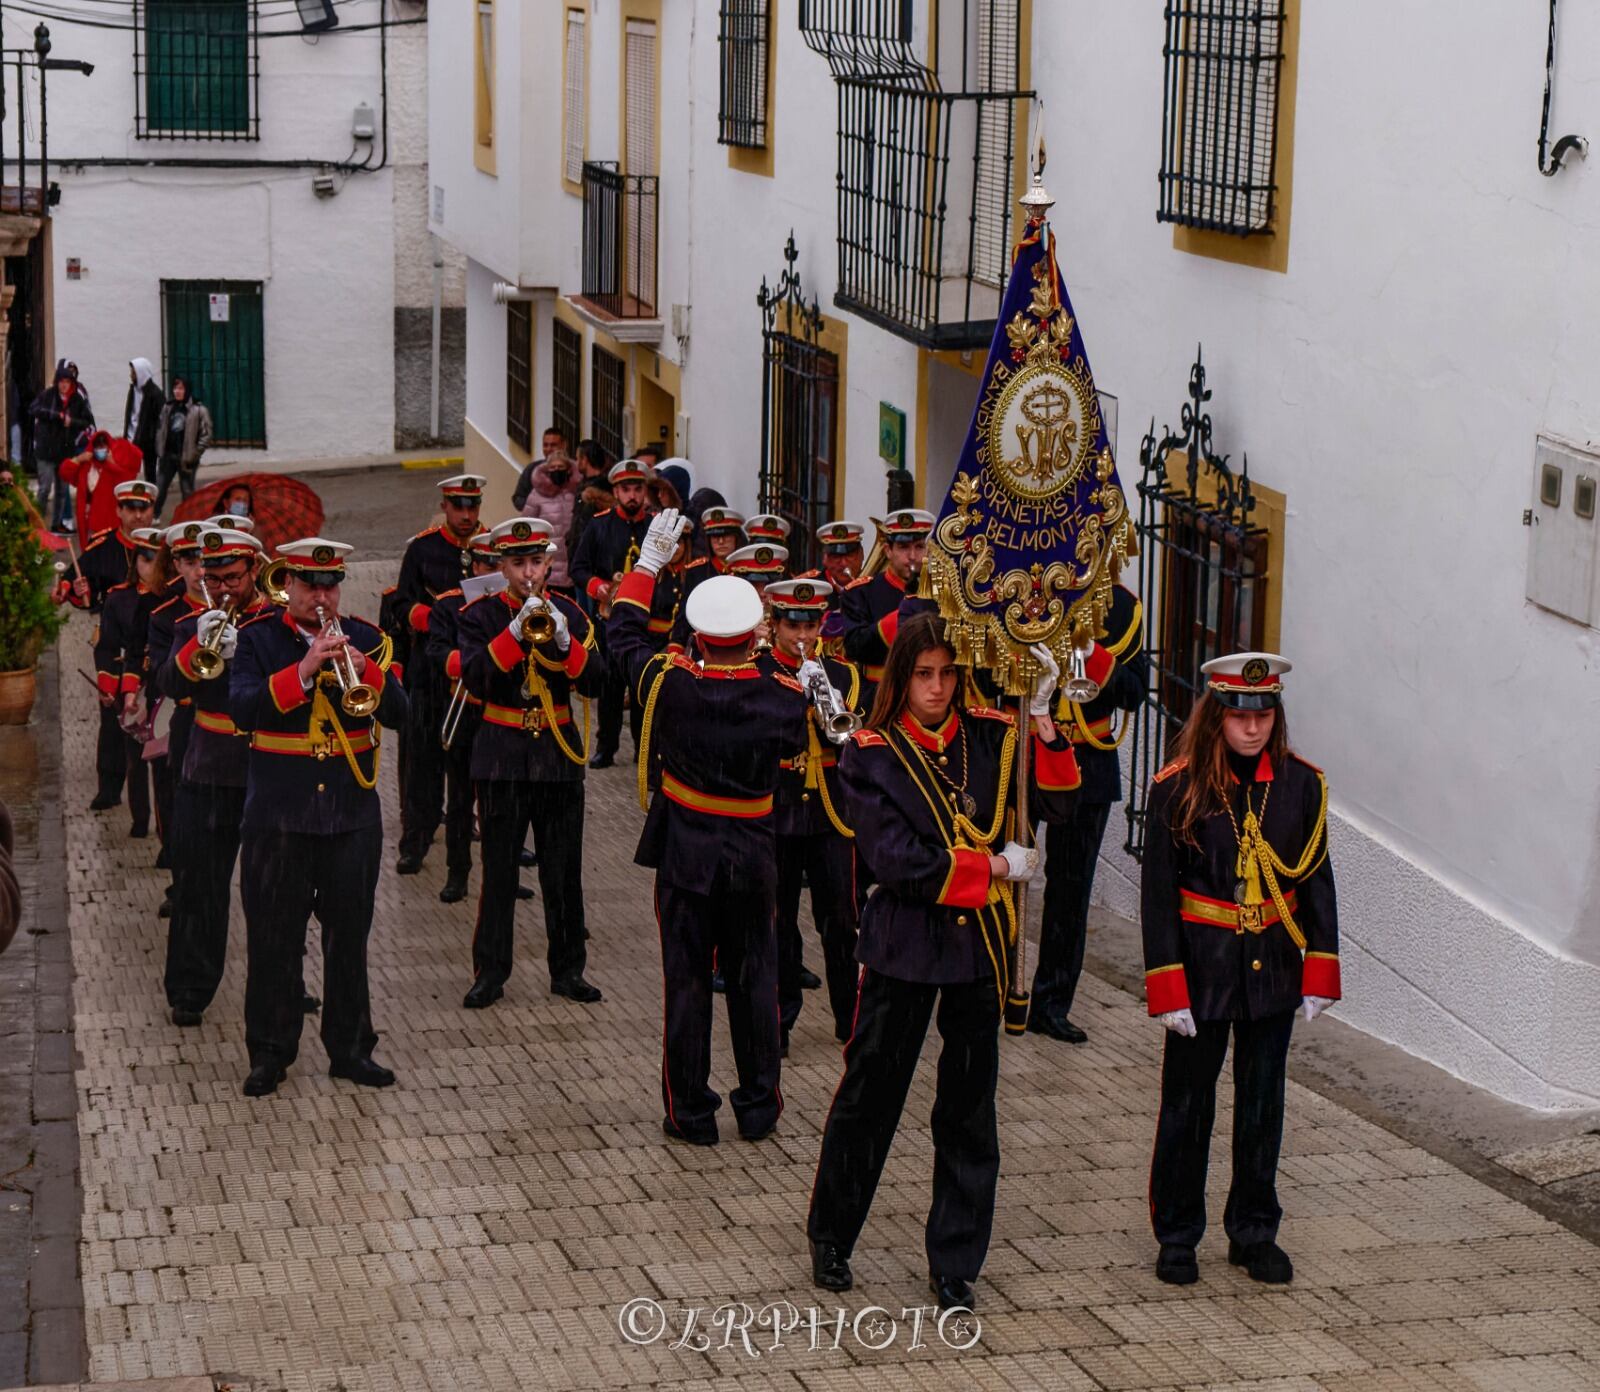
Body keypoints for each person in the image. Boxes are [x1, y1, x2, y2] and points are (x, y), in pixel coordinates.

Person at [807, 613, 1082, 1311]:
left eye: (948, 673)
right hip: (904, 941)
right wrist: (993, 864)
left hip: (975, 949)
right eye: (924, 674)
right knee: (871, 1094)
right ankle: (832, 1235)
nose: (936, 688)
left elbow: (1062, 799)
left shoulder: (994, 733)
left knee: (968, 1109)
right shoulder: (869, 752)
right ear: (902, 677)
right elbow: (896, 860)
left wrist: (1044, 715)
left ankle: (955, 1259)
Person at [610, 511, 809, 1145]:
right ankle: (758, 1108)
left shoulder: (668, 683)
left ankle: (690, 1113)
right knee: (756, 982)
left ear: (697, 631)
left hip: (686, 851)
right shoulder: (785, 695)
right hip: (753, 852)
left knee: (687, 984)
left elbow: (620, 636)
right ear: (758, 632)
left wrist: (646, 567)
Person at [1140, 652, 1338, 1288]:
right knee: (1187, 1106)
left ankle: (1254, 1231)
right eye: (1238, 714)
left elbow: (1316, 881)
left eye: (1263, 713)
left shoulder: (1302, 786)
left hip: (1272, 970)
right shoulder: (1177, 786)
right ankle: (1177, 1235)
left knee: (1262, 1105)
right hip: (1202, 969)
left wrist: (1320, 969)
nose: (1252, 727)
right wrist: (1167, 984)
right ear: (1216, 715)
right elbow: (1158, 895)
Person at [229, 537, 408, 1097]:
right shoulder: (258, 639)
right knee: (274, 940)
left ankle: (352, 1049)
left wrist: (368, 674)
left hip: (351, 816)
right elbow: (241, 709)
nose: (323, 595)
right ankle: (270, 1053)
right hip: (278, 817)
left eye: (331, 584)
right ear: (289, 585)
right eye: (311, 584)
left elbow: (406, 715)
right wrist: (304, 670)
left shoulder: (370, 639)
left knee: (349, 939)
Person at [457, 516, 603, 1008]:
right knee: (498, 873)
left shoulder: (570, 613)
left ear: (548, 563)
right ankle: (490, 973)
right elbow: (475, 679)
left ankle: (567, 970)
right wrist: (514, 635)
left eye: (535, 562)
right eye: (517, 563)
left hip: (557, 754)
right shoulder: (479, 616)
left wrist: (565, 643)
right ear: (502, 566)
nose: (527, 573)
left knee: (564, 873)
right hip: (501, 755)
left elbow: (597, 682)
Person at [157, 526, 271, 1027]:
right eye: (213, 578)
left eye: (232, 577)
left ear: (254, 572)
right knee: (199, 887)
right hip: (206, 766)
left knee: (275, 893)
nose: (222, 588)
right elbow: (166, 681)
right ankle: (190, 988)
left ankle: (282, 985)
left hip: (267, 769)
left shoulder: (277, 624)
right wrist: (195, 650)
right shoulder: (192, 623)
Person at [1029, 578, 1150, 1045]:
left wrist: (1089, 652)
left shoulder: (1122, 607)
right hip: (1022, 750)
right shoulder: (1023, 588)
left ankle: (1051, 1003)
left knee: (1071, 889)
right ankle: (994, 988)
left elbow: (1135, 691)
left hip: (1087, 758)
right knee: (1000, 874)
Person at [756, 578, 864, 1046]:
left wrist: (826, 698)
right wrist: (793, 696)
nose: (802, 634)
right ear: (775, 624)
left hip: (830, 812)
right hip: (777, 805)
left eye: (812, 624)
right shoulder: (756, 671)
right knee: (777, 917)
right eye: (792, 624)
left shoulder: (843, 674)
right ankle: (779, 1019)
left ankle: (850, 1016)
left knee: (840, 917)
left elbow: (853, 742)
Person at [394, 474, 485, 875]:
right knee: (423, 759)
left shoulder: (493, 546)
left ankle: (497, 836)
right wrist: (436, 618)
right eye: (458, 507)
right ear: (445, 506)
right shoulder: (423, 548)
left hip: (478, 670)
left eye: (473, 507)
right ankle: (416, 839)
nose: (466, 515)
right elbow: (401, 604)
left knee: (480, 760)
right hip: (430, 668)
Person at [571, 458, 657, 768]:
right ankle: (605, 747)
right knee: (608, 688)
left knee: (642, 689)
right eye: (625, 489)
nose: (632, 495)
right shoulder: (599, 524)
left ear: (644, 491)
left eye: (637, 489)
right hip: (608, 621)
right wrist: (599, 589)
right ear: (616, 491)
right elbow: (578, 568)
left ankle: (642, 750)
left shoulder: (655, 525)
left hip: (644, 623)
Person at [145, 522, 211, 916]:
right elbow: (162, 677)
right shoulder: (165, 616)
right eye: (190, 560)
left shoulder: (238, 607)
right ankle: (183, 883)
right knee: (183, 810)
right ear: (177, 565)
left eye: (206, 560)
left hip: (235, 724)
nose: (200, 570)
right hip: (188, 721)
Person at [428, 529, 496, 904]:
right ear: (472, 564)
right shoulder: (449, 605)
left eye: (497, 564)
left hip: (502, 713)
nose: (491, 571)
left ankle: (502, 872)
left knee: (500, 802)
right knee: (459, 800)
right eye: (485, 563)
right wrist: (469, 663)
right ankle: (458, 872)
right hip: (466, 708)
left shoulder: (514, 603)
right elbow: (437, 651)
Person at [90, 525, 169, 833]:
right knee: (134, 757)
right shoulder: (119, 599)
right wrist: (110, 687)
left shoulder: (171, 598)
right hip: (130, 683)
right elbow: (107, 645)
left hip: (162, 684)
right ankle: (140, 820)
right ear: (135, 561)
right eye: (145, 560)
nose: (150, 567)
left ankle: (166, 830)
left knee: (163, 763)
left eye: (157, 560)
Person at [839, 509, 936, 703]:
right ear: (888, 551)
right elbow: (855, 647)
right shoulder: (860, 592)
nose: (912, 556)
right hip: (880, 695)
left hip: (932, 694)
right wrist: (902, 617)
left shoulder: (943, 592)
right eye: (903, 547)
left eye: (919, 547)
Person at [30, 365, 94, 530]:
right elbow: (34, 409)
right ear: (57, 382)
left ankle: (56, 525)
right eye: (61, 381)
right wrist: (56, 415)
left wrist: (71, 422)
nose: (64, 385)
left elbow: (87, 421)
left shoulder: (77, 400)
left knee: (62, 490)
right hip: (46, 450)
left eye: (67, 382)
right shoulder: (47, 395)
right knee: (44, 488)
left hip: (65, 451)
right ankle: (38, 524)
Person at [59, 431, 143, 541]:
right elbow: (64, 473)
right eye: (97, 447)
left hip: (108, 522)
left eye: (103, 446)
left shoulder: (113, 467)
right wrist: (78, 459)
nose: (100, 450)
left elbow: (126, 481)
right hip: (87, 519)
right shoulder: (86, 466)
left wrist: (112, 464)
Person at [518, 452, 581, 592]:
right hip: (547, 568)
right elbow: (526, 528)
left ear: (569, 470)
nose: (557, 470)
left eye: (561, 466)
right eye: (553, 467)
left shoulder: (576, 493)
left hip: (572, 568)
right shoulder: (537, 495)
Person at [152, 376, 213, 518]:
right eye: (175, 388)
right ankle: (154, 515)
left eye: (181, 388)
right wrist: (159, 448)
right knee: (160, 488)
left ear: (187, 390)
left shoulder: (198, 410)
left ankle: (188, 518)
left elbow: (206, 434)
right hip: (168, 456)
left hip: (186, 458)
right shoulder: (168, 407)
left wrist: (195, 453)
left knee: (187, 490)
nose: (177, 392)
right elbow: (160, 429)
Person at [565, 438, 612, 565]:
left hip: (591, 557)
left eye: (578, 458)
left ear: (585, 459)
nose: (576, 462)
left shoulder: (601, 488)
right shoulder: (584, 485)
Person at [124, 358, 165, 485]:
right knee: (129, 473)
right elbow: (131, 415)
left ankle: (151, 502)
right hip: (132, 439)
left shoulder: (155, 394)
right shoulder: (133, 390)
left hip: (148, 443)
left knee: (150, 475)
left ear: (141, 373)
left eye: (134, 373)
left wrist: (155, 438)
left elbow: (163, 420)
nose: (131, 375)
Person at [512, 426, 570, 512]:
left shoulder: (574, 471)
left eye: (553, 445)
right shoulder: (532, 469)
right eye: (545, 445)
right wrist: (535, 507)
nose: (549, 449)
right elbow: (518, 498)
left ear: (564, 445)